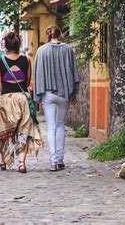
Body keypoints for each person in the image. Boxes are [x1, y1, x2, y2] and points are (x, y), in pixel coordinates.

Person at [0, 31, 42, 173]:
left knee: (3, 130)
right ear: (18, 44)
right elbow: (27, 81)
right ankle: (21, 163)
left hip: (6, 99)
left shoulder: (0, 61)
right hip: (22, 98)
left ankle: (2, 161)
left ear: (6, 46)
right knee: (23, 130)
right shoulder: (26, 60)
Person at [34, 25, 80, 171]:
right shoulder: (68, 49)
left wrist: (37, 97)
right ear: (60, 35)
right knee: (60, 125)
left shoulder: (41, 51)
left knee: (51, 126)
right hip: (64, 93)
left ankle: (53, 161)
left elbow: (37, 74)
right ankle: (60, 158)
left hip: (48, 93)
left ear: (48, 35)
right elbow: (74, 73)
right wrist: (73, 93)